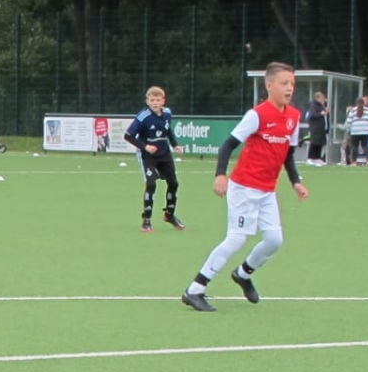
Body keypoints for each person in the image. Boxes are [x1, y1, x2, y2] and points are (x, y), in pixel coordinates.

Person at [180, 61, 309, 312]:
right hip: (244, 188)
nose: (289, 88)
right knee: (236, 238)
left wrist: (296, 182)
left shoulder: (293, 117)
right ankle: (194, 289)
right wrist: (220, 175)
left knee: (274, 240)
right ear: (269, 85)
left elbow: (288, 154)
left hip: (267, 190)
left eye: (292, 84)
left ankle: (243, 273)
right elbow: (228, 145)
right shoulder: (257, 115)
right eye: (284, 83)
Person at [124, 86, 184, 232]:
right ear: (147, 101)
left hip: (164, 154)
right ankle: (146, 220)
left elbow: (168, 130)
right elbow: (128, 136)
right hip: (147, 156)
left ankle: (169, 215)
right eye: (152, 100)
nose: (155, 103)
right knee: (151, 184)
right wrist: (145, 147)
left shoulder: (167, 113)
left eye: (158, 100)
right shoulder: (143, 116)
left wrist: (175, 145)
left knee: (174, 183)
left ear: (163, 101)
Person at [304, 90, 329, 165]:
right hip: (315, 128)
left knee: (320, 143)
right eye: (322, 98)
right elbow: (312, 115)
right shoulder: (313, 106)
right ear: (317, 98)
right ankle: (310, 158)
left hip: (322, 128)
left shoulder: (322, 106)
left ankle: (317, 158)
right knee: (314, 142)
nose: (323, 99)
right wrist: (321, 114)